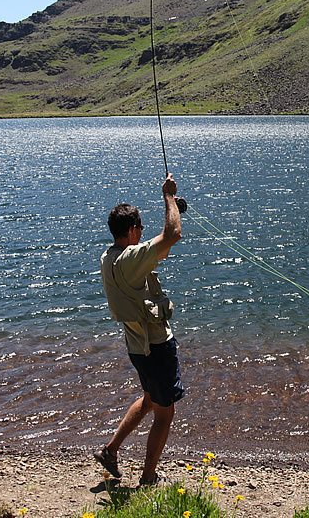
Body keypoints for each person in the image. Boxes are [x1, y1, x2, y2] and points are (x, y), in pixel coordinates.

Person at [94, 172, 184, 486]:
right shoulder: (130, 259)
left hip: (137, 348)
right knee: (164, 412)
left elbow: (160, 246)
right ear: (133, 230)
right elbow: (172, 236)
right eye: (141, 229)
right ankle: (148, 477)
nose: (143, 233)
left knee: (149, 399)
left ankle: (110, 450)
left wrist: (174, 214)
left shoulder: (109, 258)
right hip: (157, 347)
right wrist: (169, 197)